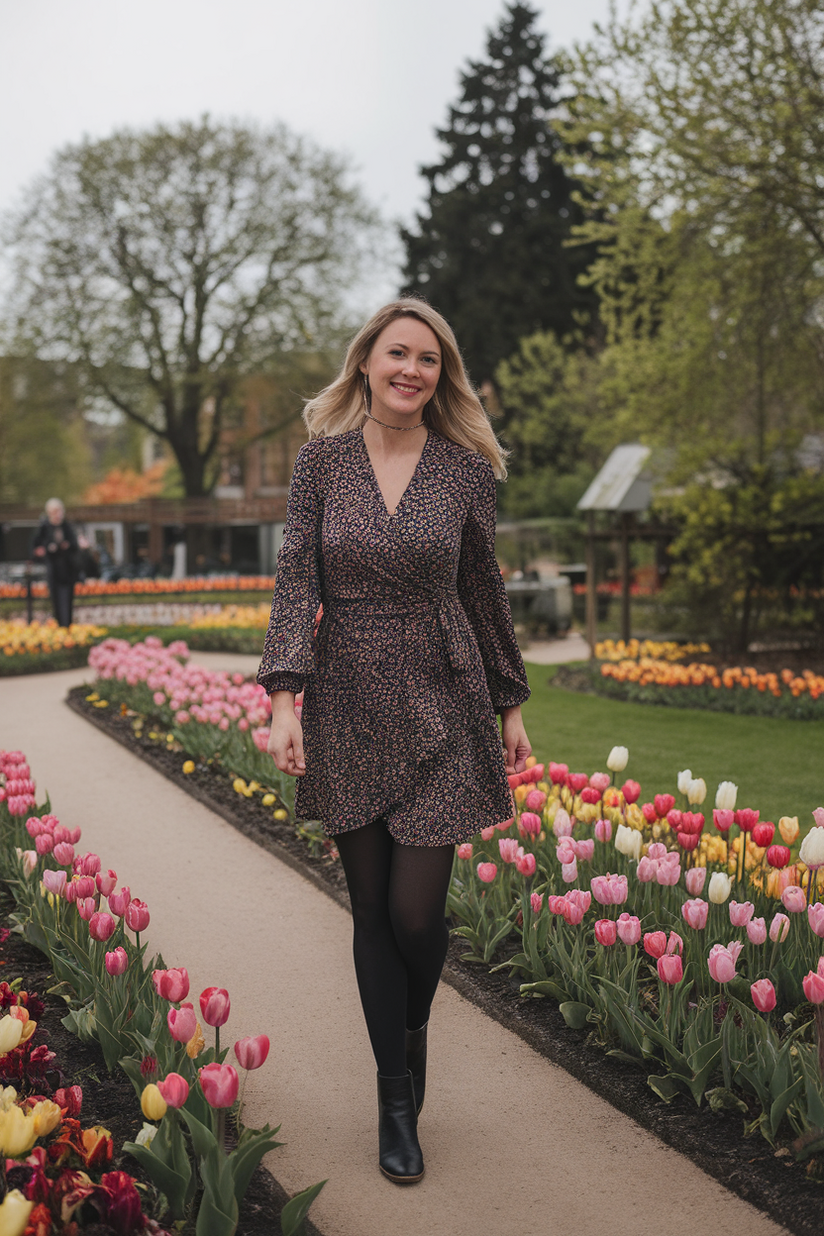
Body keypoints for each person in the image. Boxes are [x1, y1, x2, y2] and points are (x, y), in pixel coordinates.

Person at [257, 299, 531, 1185]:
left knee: (419, 912)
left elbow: (484, 590)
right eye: (397, 353)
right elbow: (297, 578)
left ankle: (407, 1041)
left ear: (441, 375)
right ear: (367, 362)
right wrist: (285, 698)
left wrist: (509, 702)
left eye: (429, 360)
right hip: (345, 701)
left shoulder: (463, 473)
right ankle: (397, 1101)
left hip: (445, 698)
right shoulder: (321, 465)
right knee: (373, 911)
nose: (412, 370)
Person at [31, 499, 79, 627]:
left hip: (67, 570)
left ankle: (67, 625)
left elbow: (75, 545)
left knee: (68, 600)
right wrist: (47, 549)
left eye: (59, 511)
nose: (57, 514)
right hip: (53, 569)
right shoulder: (44, 527)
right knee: (55, 600)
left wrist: (67, 545)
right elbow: (35, 548)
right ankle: (58, 625)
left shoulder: (67, 526)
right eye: (54, 511)